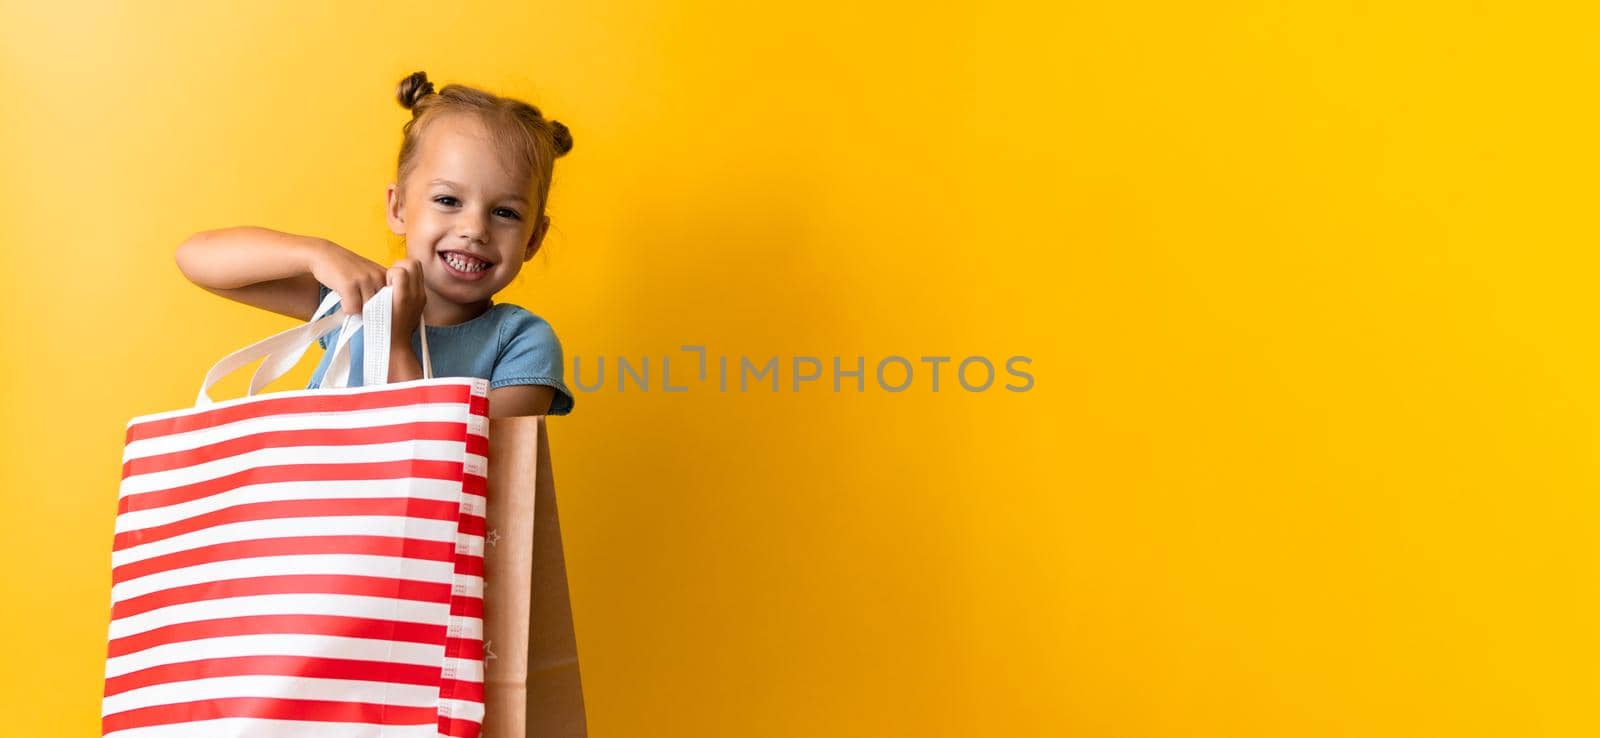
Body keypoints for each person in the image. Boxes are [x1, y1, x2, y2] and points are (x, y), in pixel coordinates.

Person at [175, 70, 575, 417]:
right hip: (321, 508)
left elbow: (458, 463)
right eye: (448, 201)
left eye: (505, 212)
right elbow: (195, 258)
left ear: (533, 238)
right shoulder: (362, 299)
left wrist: (397, 344)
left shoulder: (523, 344)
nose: (474, 229)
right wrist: (315, 253)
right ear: (399, 207)